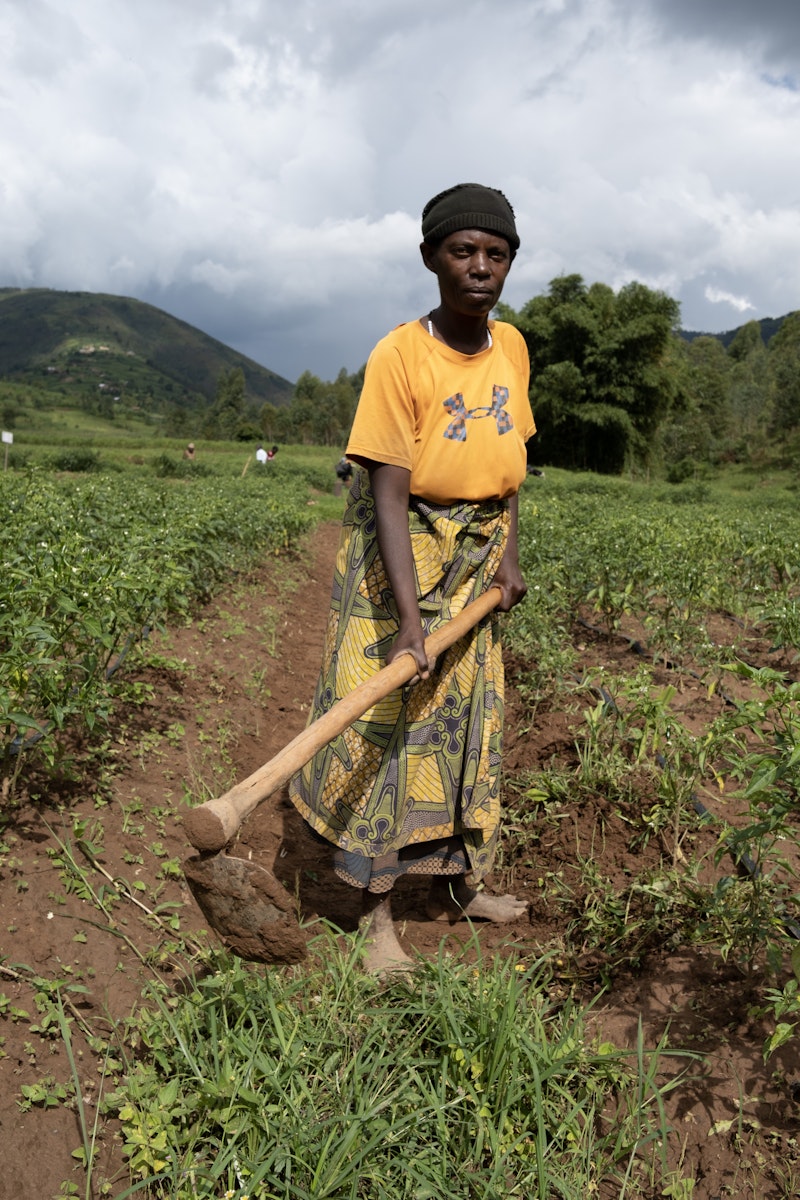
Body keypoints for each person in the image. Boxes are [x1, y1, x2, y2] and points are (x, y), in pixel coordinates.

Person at [289, 183, 535, 973]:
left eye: (496, 255)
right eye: (463, 251)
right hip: (402, 562)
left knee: (466, 732)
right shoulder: (400, 354)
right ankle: (375, 916)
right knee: (390, 737)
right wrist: (407, 616)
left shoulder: (515, 349)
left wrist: (507, 557)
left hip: (475, 564)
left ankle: (461, 889)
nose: (480, 268)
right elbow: (388, 495)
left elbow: (508, 476)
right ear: (432, 258)